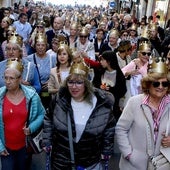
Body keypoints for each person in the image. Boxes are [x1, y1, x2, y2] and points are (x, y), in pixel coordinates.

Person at [42, 60, 115, 169]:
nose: (74, 87)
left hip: (90, 161)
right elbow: (48, 118)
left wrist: (106, 149)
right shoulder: (60, 99)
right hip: (62, 160)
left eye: (79, 82)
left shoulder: (101, 103)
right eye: (70, 82)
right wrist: (47, 140)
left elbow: (109, 127)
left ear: (86, 83)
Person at [115, 54, 170, 170]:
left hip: (162, 165)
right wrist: (129, 154)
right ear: (148, 84)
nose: (160, 87)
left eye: (164, 83)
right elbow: (121, 129)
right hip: (133, 165)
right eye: (156, 83)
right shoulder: (134, 102)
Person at [0, 58, 45, 170]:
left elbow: (42, 114)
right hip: (6, 148)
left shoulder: (32, 96)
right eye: (5, 78)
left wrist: (32, 127)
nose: (8, 81)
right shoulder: (0, 96)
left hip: (25, 147)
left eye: (11, 78)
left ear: (20, 79)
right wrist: (0, 146)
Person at [27, 32, 56, 109]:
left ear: (46, 46)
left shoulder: (52, 58)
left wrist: (50, 81)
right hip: (34, 92)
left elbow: (57, 72)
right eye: (38, 45)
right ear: (35, 46)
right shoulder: (29, 59)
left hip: (48, 93)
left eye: (43, 45)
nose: (40, 47)